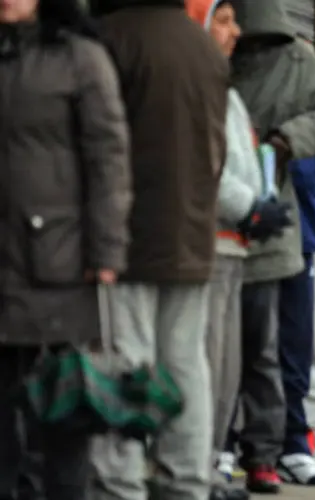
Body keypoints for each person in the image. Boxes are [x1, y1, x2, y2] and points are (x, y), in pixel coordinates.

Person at [89, 0, 228, 497]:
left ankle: (118, 484)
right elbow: (219, 149)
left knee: (122, 364)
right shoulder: (202, 46)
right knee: (185, 364)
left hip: (125, 237)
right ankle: (187, 480)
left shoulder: (110, 37)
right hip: (189, 236)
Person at [0, 0, 130, 498]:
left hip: (60, 263)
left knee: (59, 419)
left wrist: (107, 253)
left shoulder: (79, 57)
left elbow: (109, 159)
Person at [229, 0, 315, 487]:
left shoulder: (297, 65)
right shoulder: (215, 57)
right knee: (239, 350)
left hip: (286, 231)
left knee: (284, 349)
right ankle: (238, 447)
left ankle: (280, 445)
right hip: (227, 226)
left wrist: (286, 142)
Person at [183, 1, 293, 497]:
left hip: (234, 245)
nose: (235, 32)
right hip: (209, 241)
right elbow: (204, 164)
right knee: (205, 367)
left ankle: (204, 467)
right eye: (222, 20)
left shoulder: (221, 86)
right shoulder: (197, 84)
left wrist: (258, 207)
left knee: (224, 370)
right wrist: (250, 206)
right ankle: (193, 470)